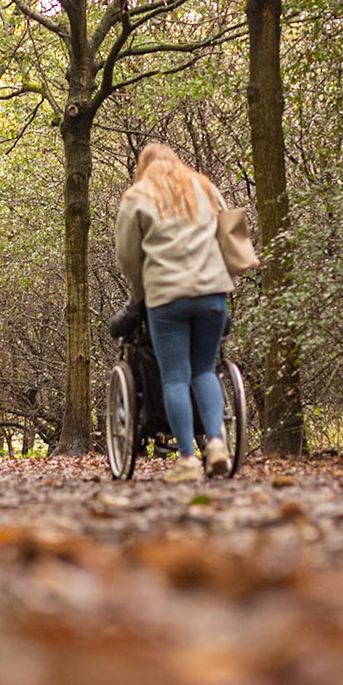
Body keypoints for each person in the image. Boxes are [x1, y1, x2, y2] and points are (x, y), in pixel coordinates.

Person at [114, 143, 235, 483]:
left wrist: (141, 294)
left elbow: (128, 256)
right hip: (212, 293)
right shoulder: (206, 188)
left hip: (167, 296)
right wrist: (226, 280)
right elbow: (231, 236)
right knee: (205, 370)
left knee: (176, 377)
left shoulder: (137, 197)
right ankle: (216, 444)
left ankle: (187, 459)